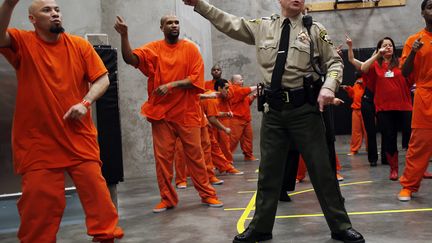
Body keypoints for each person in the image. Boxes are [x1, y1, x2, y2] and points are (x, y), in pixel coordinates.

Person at [182, 1, 364, 243]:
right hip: (273, 112)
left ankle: (340, 226)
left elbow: (334, 62)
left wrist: (329, 87)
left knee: (322, 171)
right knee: (267, 173)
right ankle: (261, 228)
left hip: (304, 111)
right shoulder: (263, 27)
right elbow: (229, 23)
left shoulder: (314, 30)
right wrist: (200, 4)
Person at [0, 0, 124, 242]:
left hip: (78, 136)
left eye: (57, 9)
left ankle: (105, 237)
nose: (55, 13)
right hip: (38, 142)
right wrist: (8, 4)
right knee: (39, 207)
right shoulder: (22, 42)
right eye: (47, 10)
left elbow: (102, 79)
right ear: (33, 19)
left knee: (99, 198)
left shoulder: (79, 46)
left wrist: (84, 103)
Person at [114, 14, 223, 212]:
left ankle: (208, 195)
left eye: (176, 22)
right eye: (169, 23)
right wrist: (124, 36)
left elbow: (195, 79)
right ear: (162, 27)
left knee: (196, 158)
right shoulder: (153, 49)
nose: (174, 25)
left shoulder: (190, 48)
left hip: (187, 112)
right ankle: (167, 198)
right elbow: (130, 58)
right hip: (161, 114)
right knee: (163, 160)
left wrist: (171, 85)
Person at [361, 37, 413, 180]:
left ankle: (414, 169)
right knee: (389, 138)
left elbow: (411, 76)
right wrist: (378, 54)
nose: (388, 47)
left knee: (410, 137)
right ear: (379, 49)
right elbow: (363, 68)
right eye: (385, 45)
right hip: (384, 107)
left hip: (404, 106)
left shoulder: (401, 62)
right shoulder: (375, 65)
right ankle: (394, 169)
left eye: (390, 45)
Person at [397, 0, 432, 201]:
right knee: (419, 145)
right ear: (422, 13)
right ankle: (408, 186)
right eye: (430, 7)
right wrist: (413, 52)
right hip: (425, 97)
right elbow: (405, 72)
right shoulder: (415, 39)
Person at [346, 34, 386, 166]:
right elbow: (351, 59)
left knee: (386, 130)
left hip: (382, 100)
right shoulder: (368, 65)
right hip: (368, 100)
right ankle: (373, 159)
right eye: (380, 48)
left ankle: (387, 157)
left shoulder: (386, 66)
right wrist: (350, 46)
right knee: (371, 130)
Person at [229, 74, 259, 161]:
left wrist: (253, 96)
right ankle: (225, 158)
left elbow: (246, 102)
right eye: (240, 80)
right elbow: (246, 90)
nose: (242, 81)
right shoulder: (234, 89)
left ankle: (248, 156)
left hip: (246, 119)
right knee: (232, 141)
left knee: (248, 139)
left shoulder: (241, 91)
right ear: (234, 82)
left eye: (242, 79)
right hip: (236, 119)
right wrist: (257, 86)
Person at [341, 72, 367, 156]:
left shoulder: (366, 82)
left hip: (365, 110)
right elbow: (352, 95)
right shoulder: (356, 84)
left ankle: (371, 149)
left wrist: (363, 82)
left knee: (368, 131)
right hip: (356, 110)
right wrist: (348, 88)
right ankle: (354, 150)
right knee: (355, 131)